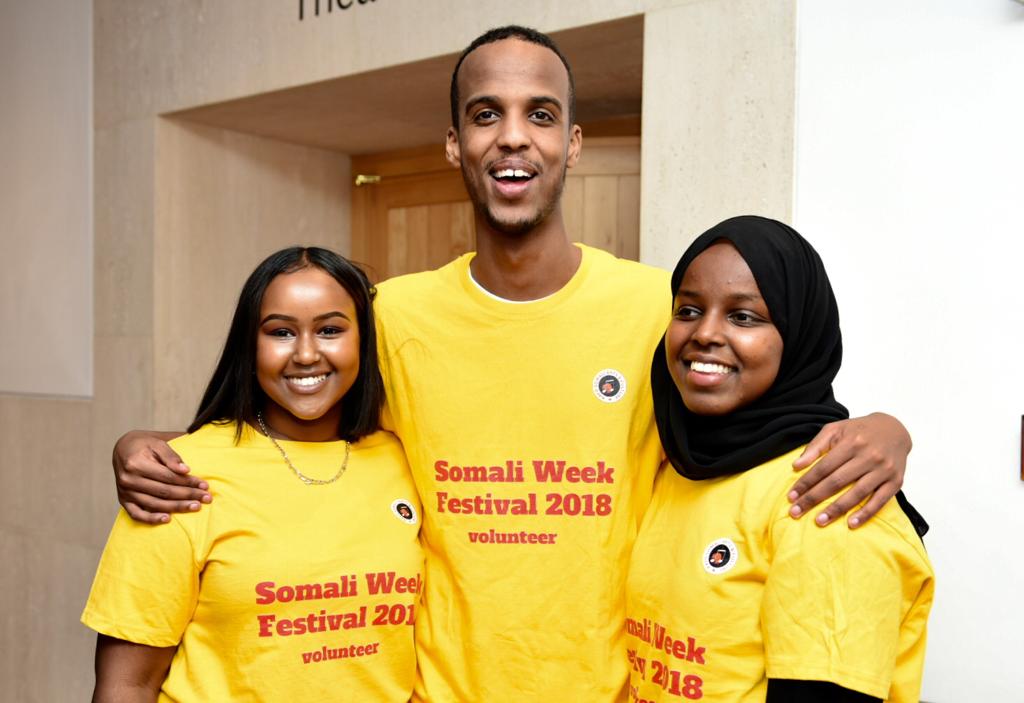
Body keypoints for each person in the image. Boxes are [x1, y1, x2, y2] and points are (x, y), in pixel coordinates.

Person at [106, 27, 916, 701]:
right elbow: (294, 422)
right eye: (486, 114)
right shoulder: (392, 316)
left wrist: (886, 430)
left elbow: (766, 417)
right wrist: (151, 446)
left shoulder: (661, 312)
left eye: (542, 114)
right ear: (455, 143)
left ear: (573, 143)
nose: (514, 135)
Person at [82, 248, 422, 701]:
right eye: (281, 332)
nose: (306, 354)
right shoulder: (175, 480)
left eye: (330, 330)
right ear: (250, 345)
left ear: (363, 339)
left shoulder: (402, 460)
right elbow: (128, 684)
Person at [626, 216, 934, 702]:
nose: (705, 333)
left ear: (798, 334)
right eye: (688, 310)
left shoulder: (830, 493)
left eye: (743, 317)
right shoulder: (680, 464)